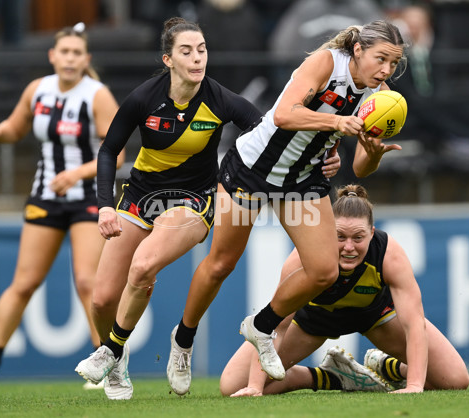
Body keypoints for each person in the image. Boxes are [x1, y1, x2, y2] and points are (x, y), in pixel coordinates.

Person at [168, 20, 407, 395]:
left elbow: (360, 168)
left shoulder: (381, 95)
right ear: (359, 50)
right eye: (381, 59)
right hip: (253, 169)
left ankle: (261, 326)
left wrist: (374, 155)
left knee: (325, 270)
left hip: (302, 180)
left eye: (394, 64)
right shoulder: (328, 63)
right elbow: (284, 114)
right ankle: (182, 342)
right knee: (220, 264)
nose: (386, 71)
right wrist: (336, 123)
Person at [73, 17, 264, 400]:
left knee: (143, 266)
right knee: (100, 298)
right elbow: (109, 150)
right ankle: (118, 359)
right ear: (168, 59)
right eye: (186, 51)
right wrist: (107, 206)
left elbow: (264, 132)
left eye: (202, 50)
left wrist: (316, 156)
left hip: (192, 201)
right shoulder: (144, 97)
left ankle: (110, 350)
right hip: (140, 197)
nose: (197, 59)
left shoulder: (220, 99)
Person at [0, 23, 124, 392]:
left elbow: (115, 155)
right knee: (24, 283)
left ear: (86, 59)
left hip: (89, 198)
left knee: (88, 281)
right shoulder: (37, 89)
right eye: (64, 52)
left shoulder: (97, 95)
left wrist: (76, 175)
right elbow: (14, 128)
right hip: (45, 197)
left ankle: (101, 362)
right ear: (52, 56)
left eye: (77, 53)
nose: (70, 58)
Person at [219, 184, 469, 396]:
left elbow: (414, 323)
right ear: (327, 230)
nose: (349, 247)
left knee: (455, 381)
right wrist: (254, 385)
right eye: (340, 237)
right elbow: (276, 326)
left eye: (358, 238)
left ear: (371, 234)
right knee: (231, 386)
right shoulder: (302, 257)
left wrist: (414, 384)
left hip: (376, 318)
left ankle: (389, 368)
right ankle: (328, 377)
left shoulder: (388, 254)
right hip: (313, 322)